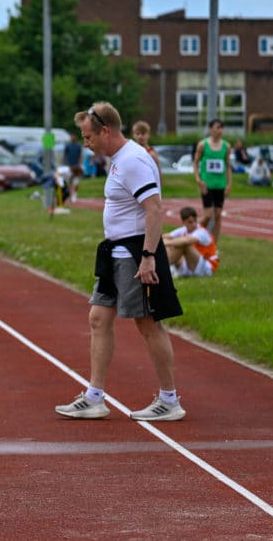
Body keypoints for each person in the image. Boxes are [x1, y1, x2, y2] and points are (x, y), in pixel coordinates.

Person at [55, 101, 185, 421]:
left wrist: (148, 257)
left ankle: (169, 400)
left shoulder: (133, 161)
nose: (86, 144)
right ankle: (95, 396)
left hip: (135, 252)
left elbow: (154, 209)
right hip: (114, 252)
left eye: (88, 137)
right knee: (98, 318)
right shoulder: (117, 160)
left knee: (147, 323)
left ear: (106, 131)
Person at [192, 118, 232, 244]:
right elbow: (196, 163)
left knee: (218, 215)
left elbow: (228, 166)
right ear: (211, 129)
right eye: (217, 127)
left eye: (221, 127)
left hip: (220, 185)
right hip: (207, 185)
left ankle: (213, 245)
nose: (220, 130)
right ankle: (194, 237)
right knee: (208, 215)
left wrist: (229, 184)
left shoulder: (226, 146)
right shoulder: (203, 145)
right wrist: (198, 179)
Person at [163, 206, 219, 278]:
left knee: (184, 244)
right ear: (183, 222)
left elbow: (187, 240)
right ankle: (169, 269)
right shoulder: (184, 229)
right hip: (193, 264)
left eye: (195, 221)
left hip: (207, 267)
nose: (193, 224)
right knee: (172, 245)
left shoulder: (202, 232)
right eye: (190, 222)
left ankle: (162, 268)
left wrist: (167, 242)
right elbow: (166, 236)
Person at [131, 120, 163, 186]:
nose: (140, 136)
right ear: (133, 135)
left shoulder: (152, 153)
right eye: (137, 133)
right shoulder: (130, 151)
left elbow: (158, 172)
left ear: (148, 135)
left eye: (143, 134)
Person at [63, 133, 83, 202]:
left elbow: (80, 155)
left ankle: (75, 195)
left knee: (76, 181)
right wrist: (66, 164)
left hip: (76, 166)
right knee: (69, 181)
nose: (72, 138)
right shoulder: (67, 146)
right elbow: (65, 155)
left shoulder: (78, 146)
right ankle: (70, 195)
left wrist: (79, 164)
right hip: (69, 166)